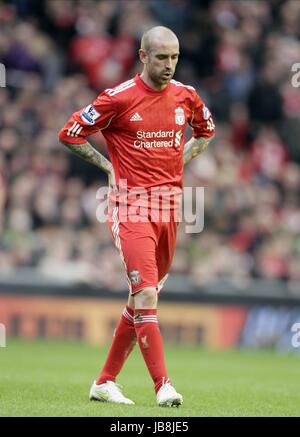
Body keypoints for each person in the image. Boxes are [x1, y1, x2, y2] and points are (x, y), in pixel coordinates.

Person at [58, 26, 215, 407]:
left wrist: (181, 159)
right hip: (130, 208)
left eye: (174, 57)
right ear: (143, 57)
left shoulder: (187, 96)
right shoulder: (119, 98)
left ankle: (104, 382)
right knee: (146, 294)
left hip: (170, 210)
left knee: (140, 298)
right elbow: (70, 133)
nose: (169, 65)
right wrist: (107, 166)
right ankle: (164, 386)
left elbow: (207, 131)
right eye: (161, 57)